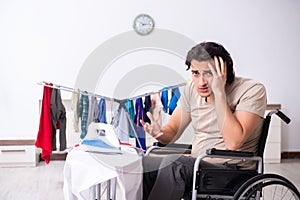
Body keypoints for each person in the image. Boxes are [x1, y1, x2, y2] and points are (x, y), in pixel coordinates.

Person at [140, 41, 267, 200]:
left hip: (233, 172)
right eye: (195, 73)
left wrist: (219, 92)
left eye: (208, 73)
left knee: (175, 164)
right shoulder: (191, 90)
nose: (201, 82)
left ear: (223, 70)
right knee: (147, 163)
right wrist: (160, 133)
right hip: (199, 166)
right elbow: (172, 130)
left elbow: (233, 143)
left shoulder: (252, 90)